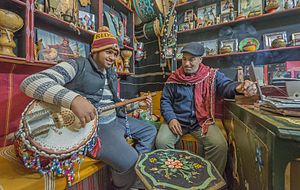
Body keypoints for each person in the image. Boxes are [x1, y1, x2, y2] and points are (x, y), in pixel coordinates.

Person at [20, 26, 157, 190]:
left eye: (115, 53)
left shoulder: (111, 72)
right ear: (95, 50)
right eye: (108, 52)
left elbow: (114, 102)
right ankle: (124, 182)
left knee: (150, 131)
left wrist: (136, 104)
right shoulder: (78, 64)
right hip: (98, 127)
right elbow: (31, 82)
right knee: (130, 161)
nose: (113, 57)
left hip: (117, 120)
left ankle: (137, 172)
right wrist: (74, 100)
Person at [155, 42, 257, 175]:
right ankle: (173, 176)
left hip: (202, 122)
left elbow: (227, 86)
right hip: (177, 120)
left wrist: (239, 87)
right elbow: (165, 101)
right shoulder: (174, 78)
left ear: (200, 60)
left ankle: (208, 180)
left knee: (219, 145)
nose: (186, 64)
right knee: (161, 142)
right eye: (184, 59)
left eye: (191, 60)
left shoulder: (211, 75)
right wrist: (171, 118)